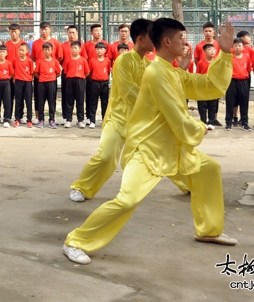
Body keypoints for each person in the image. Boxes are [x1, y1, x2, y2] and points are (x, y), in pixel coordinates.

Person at [63, 19, 237, 265]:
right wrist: (198, 128)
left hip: (171, 148)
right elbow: (176, 116)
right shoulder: (155, 72)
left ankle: (209, 230)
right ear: (167, 41)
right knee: (128, 199)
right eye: (181, 38)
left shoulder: (169, 71)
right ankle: (75, 242)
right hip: (147, 150)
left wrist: (226, 54)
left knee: (209, 169)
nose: (186, 43)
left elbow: (211, 86)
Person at [70, 18, 162, 202]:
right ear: (141, 39)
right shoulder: (123, 61)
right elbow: (129, 92)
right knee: (106, 157)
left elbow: (164, 81)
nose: (156, 41)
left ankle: (190, 184)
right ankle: (82, 187)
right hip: (118, 120)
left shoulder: (149, 64)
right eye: (153, 37)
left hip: (140, 122)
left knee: (166, 151)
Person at [31, 22, 62, 122]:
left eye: (46, 29)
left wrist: (52, 69)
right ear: (40, 30)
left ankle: (52, 118)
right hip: (39, 74)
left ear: (50, 29)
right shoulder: (35, 43)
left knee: (52, 97)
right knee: (38, 96)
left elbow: (59, 57)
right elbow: (34, 57)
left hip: (51, 76)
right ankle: (38, 117)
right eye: (42, 29)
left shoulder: (56, 42)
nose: (44, 31)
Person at [224, 38, 251, 131]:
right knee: (230, 102)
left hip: (243, 81)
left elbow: (248, 70)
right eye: (236, 45)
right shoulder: (230, 57)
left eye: (240, 46)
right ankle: (228, 122)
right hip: (232, 81)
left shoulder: (246, 57)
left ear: (243, 47)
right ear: (233, 47)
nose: (238, 47)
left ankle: (244, 122)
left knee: (244, 102)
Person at [63, 41, 89, 128]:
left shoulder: (83, 60)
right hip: (70, 80)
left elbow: (87, 72)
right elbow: (65, 71)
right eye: (72, 48)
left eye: (75, 48)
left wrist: (80, 77)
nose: (73, 50)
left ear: (80, 49)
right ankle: (68, 120)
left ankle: (80, 120)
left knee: (80, 101)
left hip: (80, 80)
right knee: (69, 100)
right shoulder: (68, 60)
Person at [34, 42, 60, 128]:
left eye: (48, 49)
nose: (47, 51)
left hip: (51, 83)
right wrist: (43, 78)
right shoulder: (39, 61)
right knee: (41, 102)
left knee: (51, 102)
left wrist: (51, 78)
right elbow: (36, 73)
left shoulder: (55, 61)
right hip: (41, 83)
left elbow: (58, 73)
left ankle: (52, 120)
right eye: (45, 50)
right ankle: (41, 120)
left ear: (52, 51)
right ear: (43, 51)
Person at [196, 44, 221, 130]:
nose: (212, 51)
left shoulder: (217, 62)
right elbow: (198, 74)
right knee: (202, 105)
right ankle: (203, 121)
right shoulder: (200, 63)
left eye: (214, 50)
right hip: (203, 86)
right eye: (210, 50)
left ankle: (211, 122)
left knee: (212, 104)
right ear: (204, 52)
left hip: (213, 86)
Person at [86, 42, 111, 126]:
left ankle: (104, 120)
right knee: (93, 102)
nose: (99, 51)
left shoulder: (107, 61)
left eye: (101, 49)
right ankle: (92, 121)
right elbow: (90, 72)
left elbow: (108, 72)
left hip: (104, 83)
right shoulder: (92, 60)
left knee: (105, 102)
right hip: (94, 82)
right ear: (95, 50)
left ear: (105, 50)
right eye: (97, 49)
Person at [0, 44, 14, 127]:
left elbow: (11, 74)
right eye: (0, 52)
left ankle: (6, 120)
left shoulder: (9, 63)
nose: (1, 54)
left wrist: (6, 78)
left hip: (6, 83)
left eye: (3, 52)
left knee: (7, 101)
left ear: (6, 53)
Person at [61, 25, 81, 119]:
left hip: (78, 75)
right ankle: (66, 117)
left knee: (79, 97)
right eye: (70, 33)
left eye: (73, 33)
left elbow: (84, 58)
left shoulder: (81, 46)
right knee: (65, 95)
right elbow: (60, 59)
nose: (72, 34)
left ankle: (80, 118)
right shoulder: (63, 46)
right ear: (67, 33)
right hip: (66, 74)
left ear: (77, 33)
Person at [12, 43, 33, 127]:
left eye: (23, 50)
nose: (21, 52)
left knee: (28, 101)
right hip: (18, 82)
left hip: (27, 82)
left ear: (27, 51)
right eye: (20, 50)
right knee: (18, 101)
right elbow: (13, 70)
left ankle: (29, 120)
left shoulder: (29, 61)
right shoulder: (15, 60)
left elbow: (31, 72)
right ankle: (17, 119)